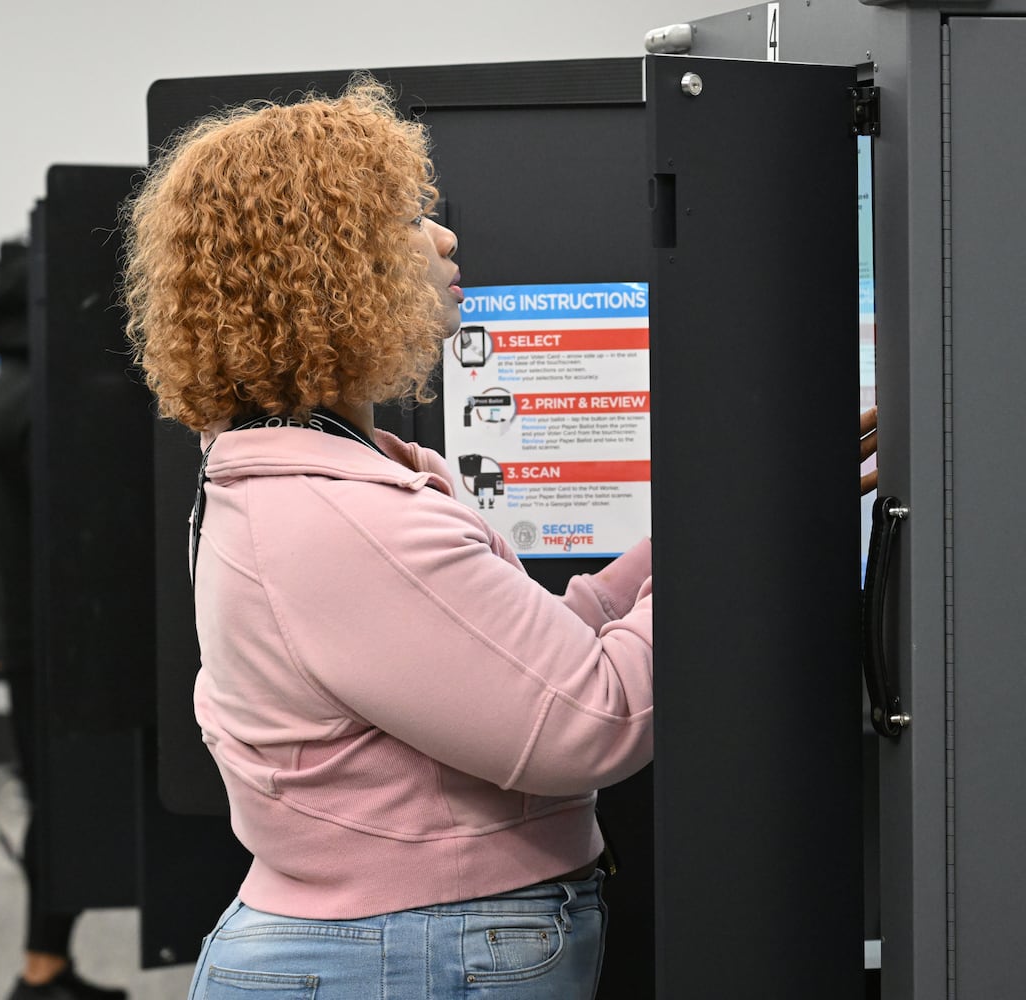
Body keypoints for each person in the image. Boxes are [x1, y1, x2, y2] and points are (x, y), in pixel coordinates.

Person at [123, 80, 651, 1000]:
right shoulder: (338, 519)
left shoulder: (323, 476)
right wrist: (742, 570)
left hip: (404, 947)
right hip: (412, 954)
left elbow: (522, 654)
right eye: (410, 219)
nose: (444, 238)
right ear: (326, 266)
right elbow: (588, 721)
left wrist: (701, 535)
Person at [0, 240, 128, 1000]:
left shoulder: (9, 388)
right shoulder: (40, 401)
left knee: (58, 797)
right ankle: (40, 973)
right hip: (56, 636)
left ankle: (49, 966)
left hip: (34, 634)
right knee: (62, 800)